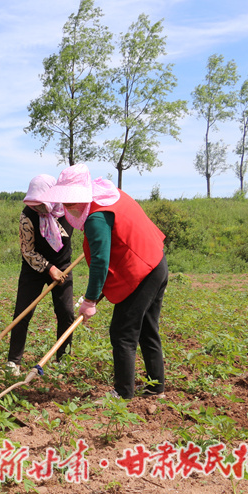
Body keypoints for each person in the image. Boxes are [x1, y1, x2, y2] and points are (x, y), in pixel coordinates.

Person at [43, 163, 168, 400]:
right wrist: (96, 294)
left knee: (123, 332)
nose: (68, 205)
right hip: (156, 263)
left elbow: (101, 261)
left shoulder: (96, 217)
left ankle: (122, 392)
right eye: (65, 200)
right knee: (147, 329)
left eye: (71, 199)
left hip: (141, 271)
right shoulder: (109, 194)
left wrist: (90, 300)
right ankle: (155, 388)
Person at [6, 175, 75, 376]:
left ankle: (63, 360)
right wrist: (48, 268)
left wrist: (58, 268)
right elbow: (27, 251)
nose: (39, 209)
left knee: (66, 313)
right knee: (23, 312)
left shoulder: (67, 209)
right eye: (35, 204)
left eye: (42, 204)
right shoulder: (27, 215)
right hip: (34, 267)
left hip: (63, 266)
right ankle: (13, 362)